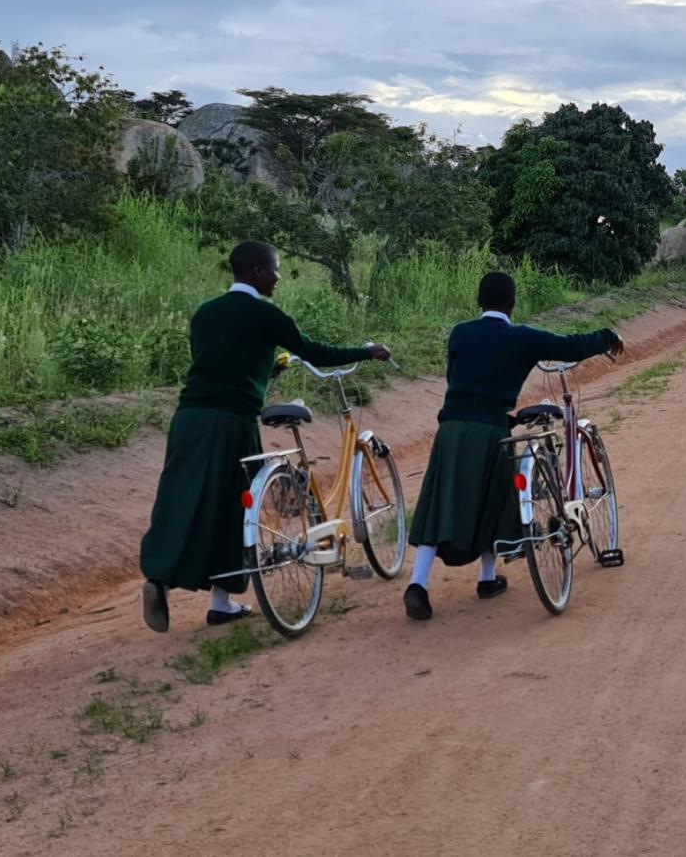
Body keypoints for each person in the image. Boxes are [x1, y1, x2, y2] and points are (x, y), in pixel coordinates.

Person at [140, 241, 390, 633]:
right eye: (274, 269)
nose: (277, 276)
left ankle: (159, 576)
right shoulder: (266, 314)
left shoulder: (205, 313)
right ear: (256, 272)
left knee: (179, 495)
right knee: (233, 509)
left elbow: (219, 362)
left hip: (188, 418)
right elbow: (315, 352)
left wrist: (267, 370)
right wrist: (368, 350)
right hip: (232, 422)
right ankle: (221, 601)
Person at [403, 271, 624, 621]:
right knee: (494, 498)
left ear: (478, 302)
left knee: (438, 501)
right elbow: (570, 346)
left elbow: (453, 377)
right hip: (491, 429)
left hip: (451, 427)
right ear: (513, 304)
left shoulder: (460, 333)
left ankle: (417, 584)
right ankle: (487, 578)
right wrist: (607, 336)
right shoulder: (522, 338)